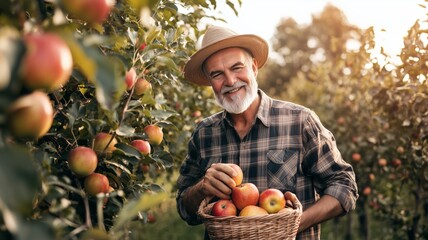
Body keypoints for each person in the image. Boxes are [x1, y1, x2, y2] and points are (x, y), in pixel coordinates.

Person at [176, 25, 358, 240]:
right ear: (209, 82)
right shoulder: (205, 134)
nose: (230, 81)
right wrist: (202, 189)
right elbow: (184, 208)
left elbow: (344, 185)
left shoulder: (299, 121)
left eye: (237, 68)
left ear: (253, 67)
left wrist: (291, 226)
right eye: (217, 74)